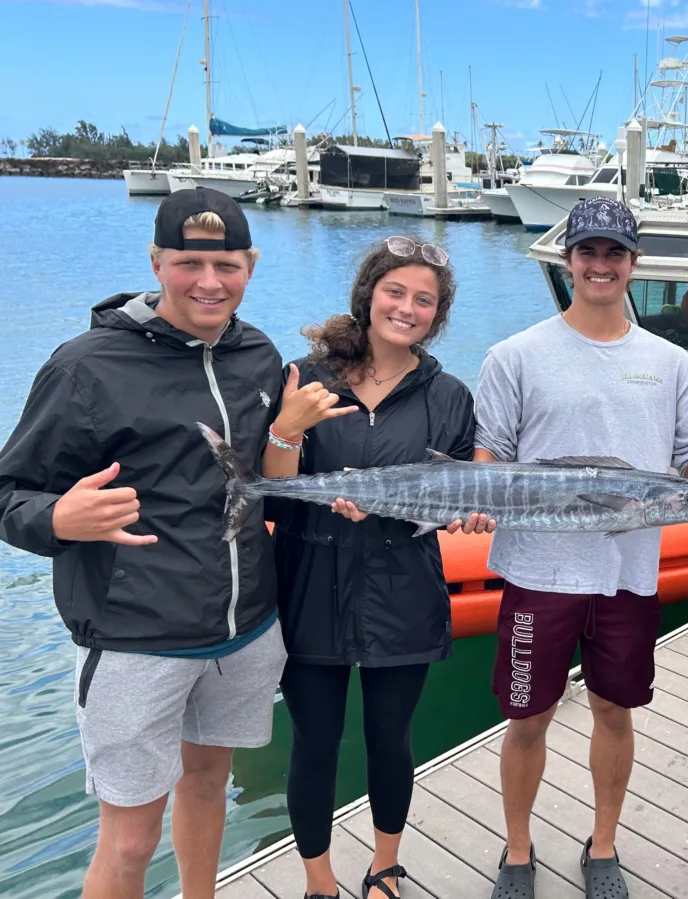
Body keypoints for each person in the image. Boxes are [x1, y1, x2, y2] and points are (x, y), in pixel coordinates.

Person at [461, 197, 688, 899]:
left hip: (629, 574)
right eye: (588, 252)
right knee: (526, 718)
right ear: (569, 261)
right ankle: (517, 849)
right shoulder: (513, 355)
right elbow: (490, 457)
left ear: (634, 264)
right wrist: (473, 501)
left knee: (615, 711)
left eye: (614, 253)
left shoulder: (668, 362)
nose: (600, 265)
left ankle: (603, 843)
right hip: (537, 571)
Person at [0, 187, 289, 899]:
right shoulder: (85, 366)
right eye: (189, 263)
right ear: (157, 263)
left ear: (250, 266)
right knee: (130, 839)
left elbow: (266, 472)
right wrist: (58, 519)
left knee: (210, 785)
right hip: (136, 638)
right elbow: (10, 493)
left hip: (245, 628)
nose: (209, 282)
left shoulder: (259, 354)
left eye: (226, 265)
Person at [264, 236, 476, 899]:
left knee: (391, 739)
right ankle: (318, 882)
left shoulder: (449, 396)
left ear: (437, 315)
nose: (407, 308)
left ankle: (385, 866)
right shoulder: (306, 378)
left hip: (404, 587)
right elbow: (275, 492)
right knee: (315, 741)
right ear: (368, 295)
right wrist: (286, 429)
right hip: (308, 583)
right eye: (395, 291)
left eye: (424, 300)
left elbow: (452, 496)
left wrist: (456, 513)